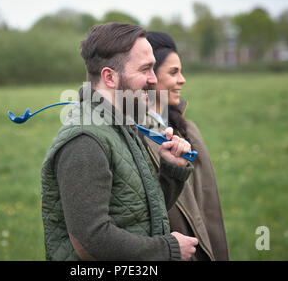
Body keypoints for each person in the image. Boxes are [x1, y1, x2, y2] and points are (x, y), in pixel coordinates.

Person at [40, 23, 199, 261]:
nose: (154, 80)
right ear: (109, 77)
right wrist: (168, 250)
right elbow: (92, 239)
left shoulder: (122, 126)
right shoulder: (85, 141)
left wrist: (171, 170)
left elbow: (138, 213)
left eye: (153, 69)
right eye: (145, 69)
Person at [143, 31, 229, 261]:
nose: (182, 80)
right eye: (173, 72)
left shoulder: (188, 130)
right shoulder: (135, 136)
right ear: (149, 75)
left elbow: (208, 208)